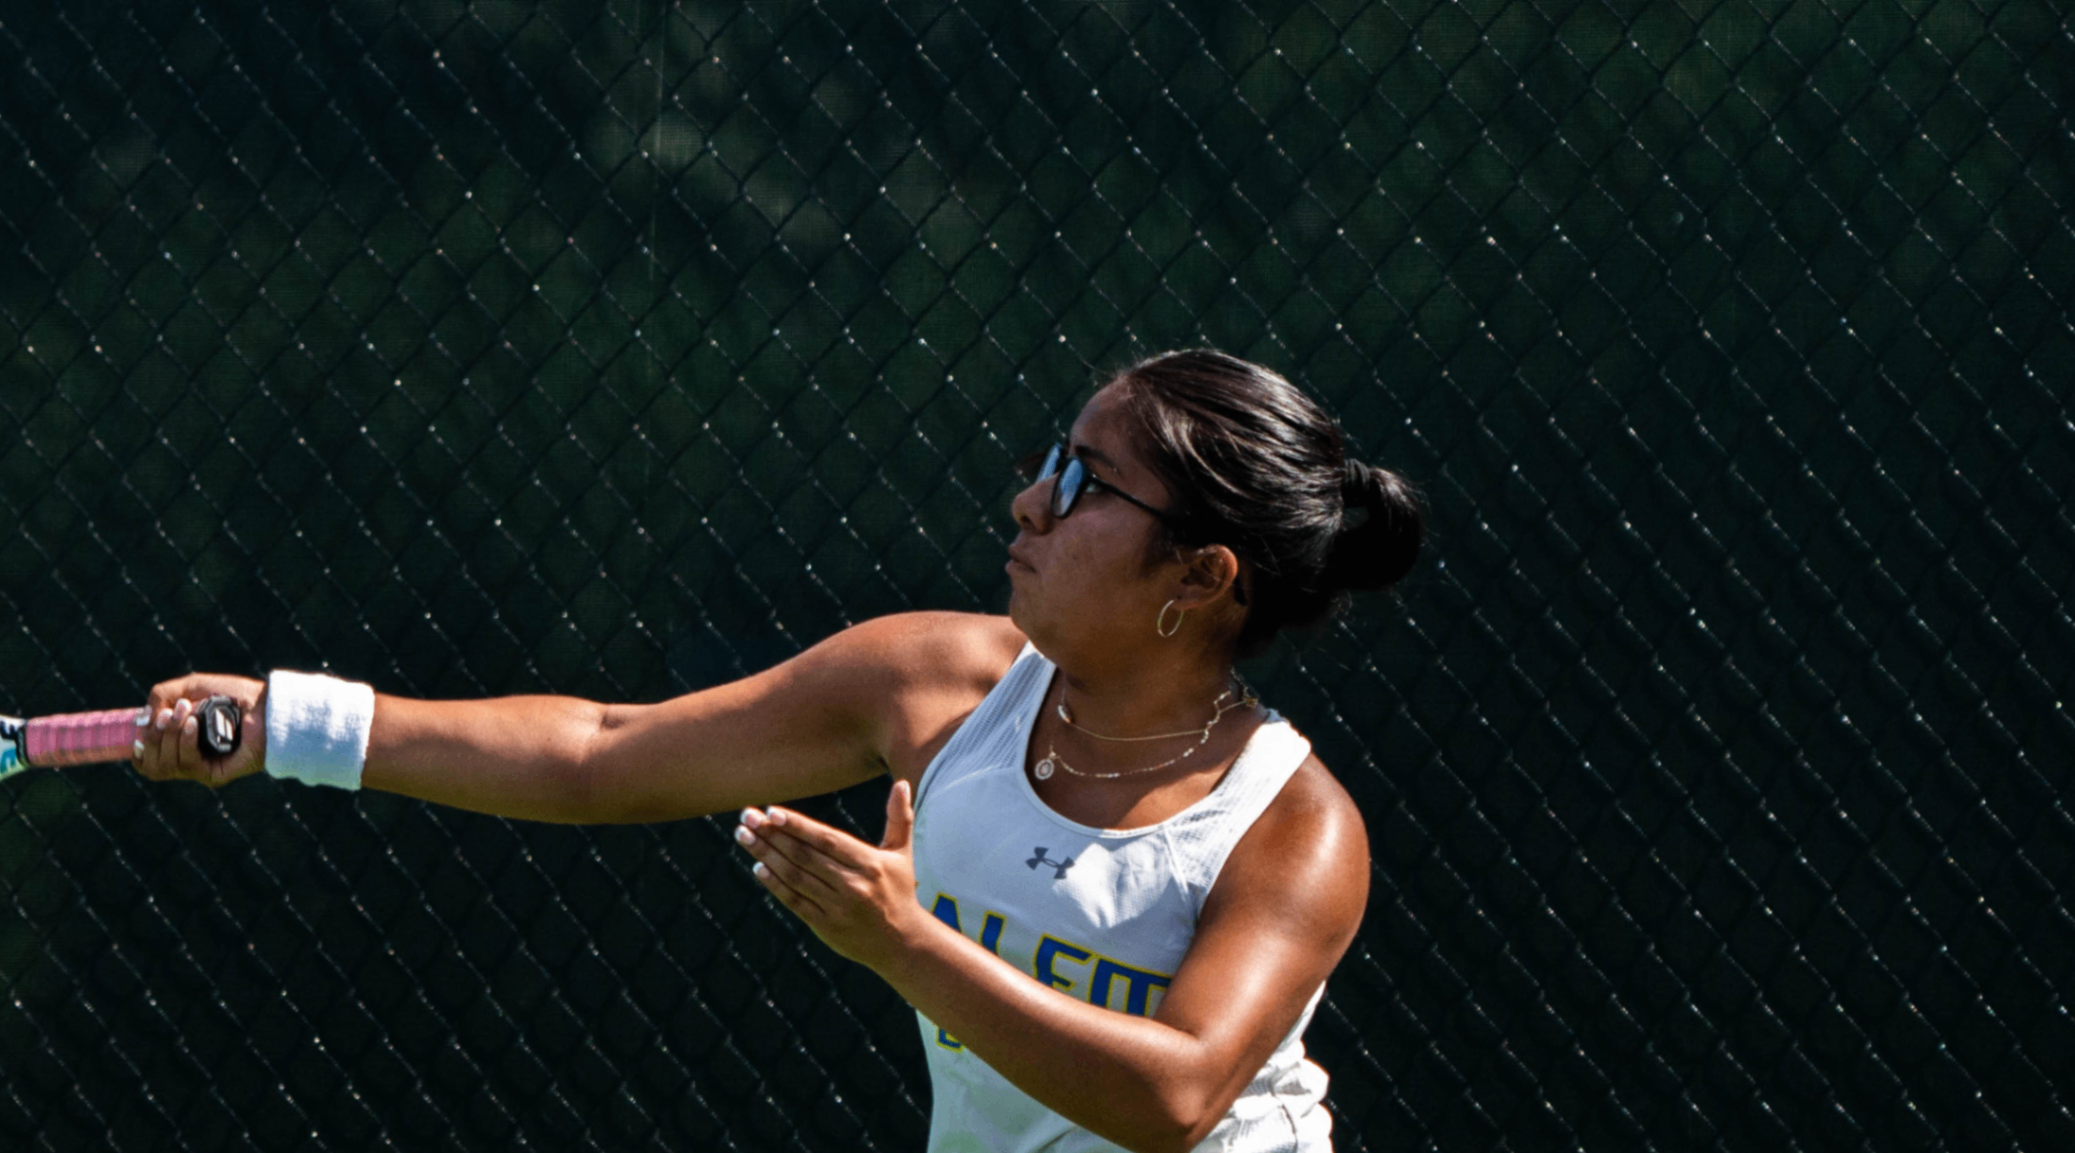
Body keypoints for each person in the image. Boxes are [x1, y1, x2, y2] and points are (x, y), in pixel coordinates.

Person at [129, 349, 1426, 1152]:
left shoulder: (1292, 829)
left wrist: (904, 943)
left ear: (1200, 576)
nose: (1031, 500)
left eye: (1086, 481)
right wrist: (292, 724)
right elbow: (602, 752)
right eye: (1052, 459)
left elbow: (1177, 1100)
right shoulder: (931, 682)